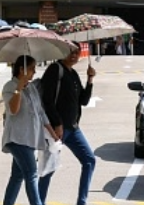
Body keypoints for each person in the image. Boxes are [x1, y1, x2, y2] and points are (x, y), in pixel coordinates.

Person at [39, 44, 97, 205]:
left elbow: (83, 101)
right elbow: (47, 100)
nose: (74, 55)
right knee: (48, 169)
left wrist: (90, 80)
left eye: (77, 52)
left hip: (73, 128)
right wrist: (57, 123)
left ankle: (82, 201)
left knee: (89, 160)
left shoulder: (73, 74)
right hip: (56, 130)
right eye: (71, 52)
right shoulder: (54, 70)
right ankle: (39, 202)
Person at [2, 55, 56, 205]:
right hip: (17, 139)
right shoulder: (9, 87)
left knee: (17, 177)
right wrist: (18, 88)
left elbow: (40, 112)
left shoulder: (31, 87)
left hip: (30, 139)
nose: (34, 72)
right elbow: (13, 110)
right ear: (22, 69)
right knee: (31, 174)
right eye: (32, 69)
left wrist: (52, 132)